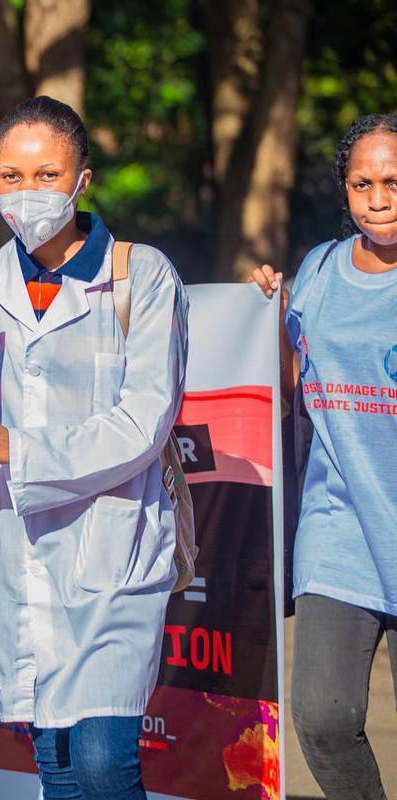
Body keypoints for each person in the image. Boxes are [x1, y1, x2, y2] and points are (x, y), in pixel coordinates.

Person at [0, 96, 188, 800]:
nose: (27, 192)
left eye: (46, 174)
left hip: (112, 551)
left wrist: (16, 447)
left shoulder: (142, 276)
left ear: (82, 180)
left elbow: (145, 421)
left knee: (102, 759)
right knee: (56, 763)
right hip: (17, 553)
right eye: (10, 175)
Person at [250, 112, 397, 800]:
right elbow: (288, 388)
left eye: (393, 181)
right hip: (339, 530)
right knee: (322, 718)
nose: (378, 197)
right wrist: (264, 314)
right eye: (362, 182)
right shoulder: (317, 270)